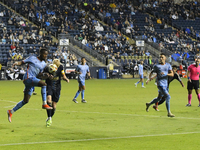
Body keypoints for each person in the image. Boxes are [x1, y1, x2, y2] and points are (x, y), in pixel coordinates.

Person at [7, 48, 53, 123]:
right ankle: (44, 104)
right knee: (44, 84)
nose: (45, 56)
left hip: (32, 81)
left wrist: (46, 75)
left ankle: (11, 111)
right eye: (44, 54)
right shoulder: (32, 58)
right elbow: (22, 62)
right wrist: (16, 63)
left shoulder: (43, 64)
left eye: (46, 54)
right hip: (28, 78)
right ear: (40, 53)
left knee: (26, 100)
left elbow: (39, 75)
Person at [145, 53, 175, 117]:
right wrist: (149, 79)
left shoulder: (168, 65)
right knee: (168, 97)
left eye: (162, 57)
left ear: (165, 58)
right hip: (160, 84)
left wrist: (165, 74)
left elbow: (172, 74)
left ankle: (149, 104)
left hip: (166, 84)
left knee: (159, 98)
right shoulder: (157, 66)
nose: (161, 59)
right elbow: (152, 72)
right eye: (160, 57)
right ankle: (169, 112)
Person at [45, 59, 69, 127]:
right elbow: (43, 76)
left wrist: (66, 79)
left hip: (57, 87)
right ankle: (49, 118)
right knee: (49, 100)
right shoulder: (48, 68)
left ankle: (49, 117)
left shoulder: (61, 67)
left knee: (54, 105)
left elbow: (63, 76)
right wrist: (48, 76)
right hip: (49, 86)